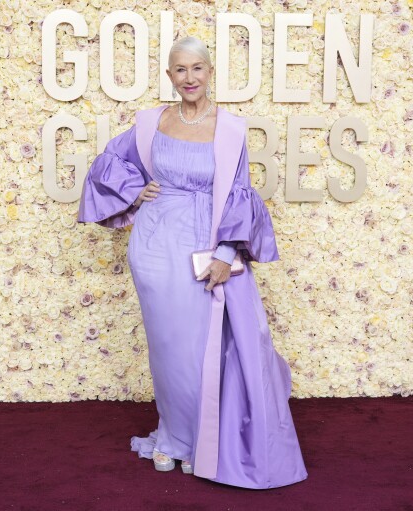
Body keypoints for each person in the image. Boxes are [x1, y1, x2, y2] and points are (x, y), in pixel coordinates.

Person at [77, 36, 307, 489]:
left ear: (210, 71)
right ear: (169, 76)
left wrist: (227, 253)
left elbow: (240, 193)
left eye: (197, 68)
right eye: (180, 70)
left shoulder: (232, 129)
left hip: (205, 245)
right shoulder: (149, 122)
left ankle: (204, 441)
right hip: (154, 245)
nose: (189, 78)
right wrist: (133, 190)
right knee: (168, 350)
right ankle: (174, 436)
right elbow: (107, 163)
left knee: (202, 349)